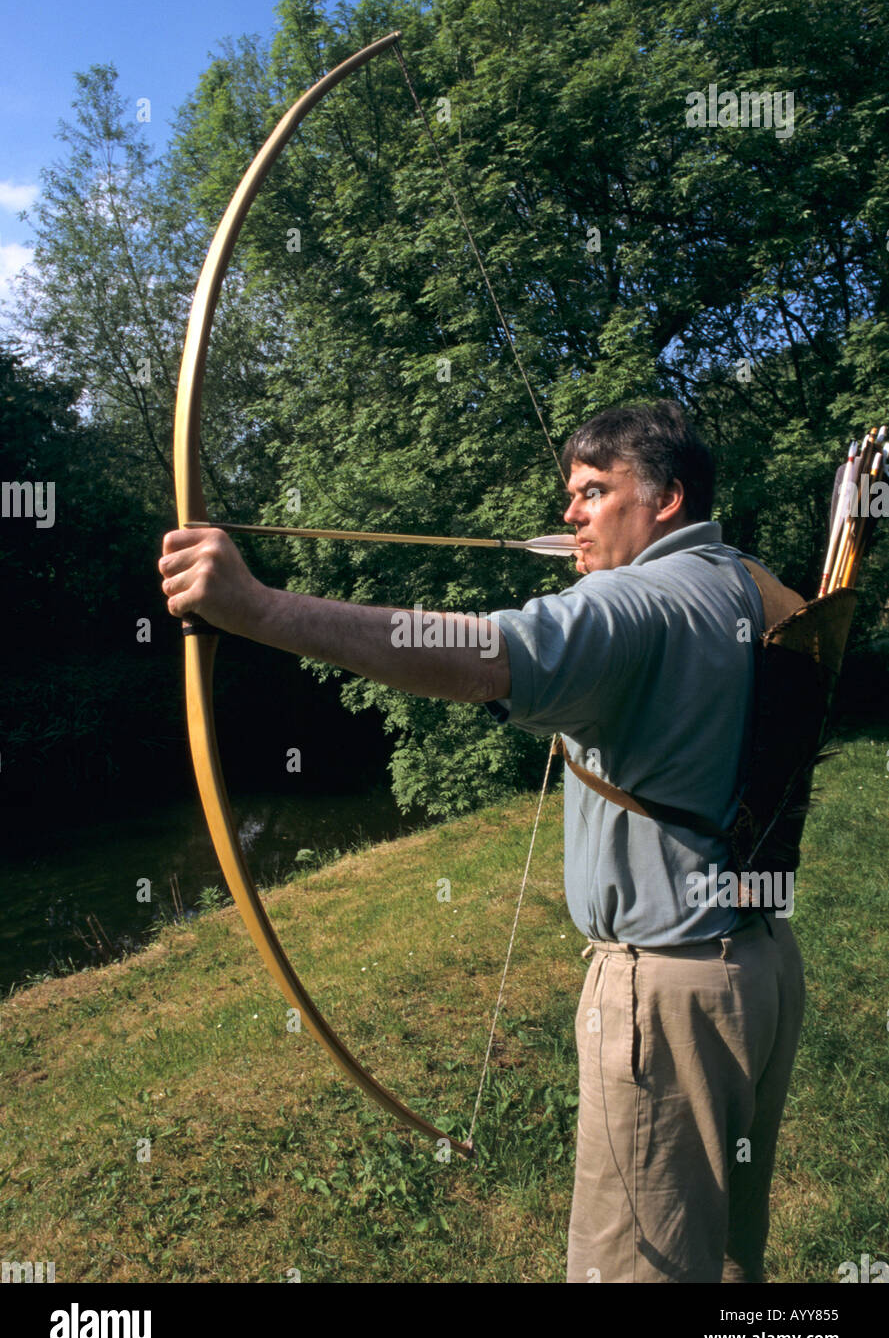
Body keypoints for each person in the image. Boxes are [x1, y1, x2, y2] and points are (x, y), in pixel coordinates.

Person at [159, 400, 804, 1283]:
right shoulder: (746, 582)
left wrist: (258, 609)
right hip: (760, 965)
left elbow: (479, 653)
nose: (569, 515)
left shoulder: (636, 601)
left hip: (668, 995)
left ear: (665, 500)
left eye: (591, 492)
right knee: (727, 1250)